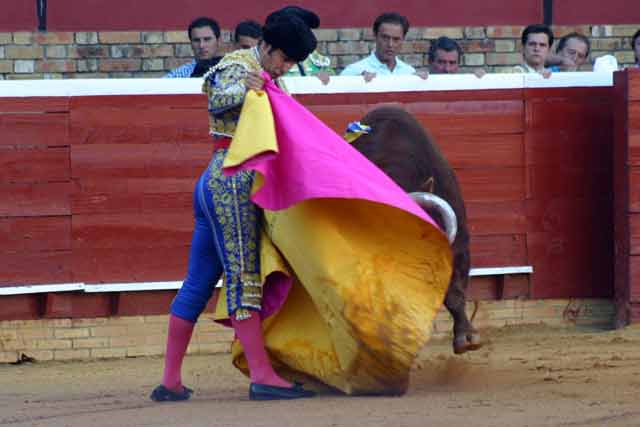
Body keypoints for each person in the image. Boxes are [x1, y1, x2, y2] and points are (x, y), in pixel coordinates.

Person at [151, 11, 318, 402]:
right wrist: (249, 88)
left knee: (199, 281)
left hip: (217, 181)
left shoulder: (270, 76)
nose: (286, 68)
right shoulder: (237, 64)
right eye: (285, 60)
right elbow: (216, 97)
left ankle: (171, 381)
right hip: (230, 181)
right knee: (244, 276)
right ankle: (262, 375)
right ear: (270, 48)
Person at [340, 12, 418, 81]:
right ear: (375, 36)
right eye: (385, 38)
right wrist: (356, 83)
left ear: (403, 40)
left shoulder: (409, 72)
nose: (390, 44)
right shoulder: (353, 72)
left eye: (396, 39)